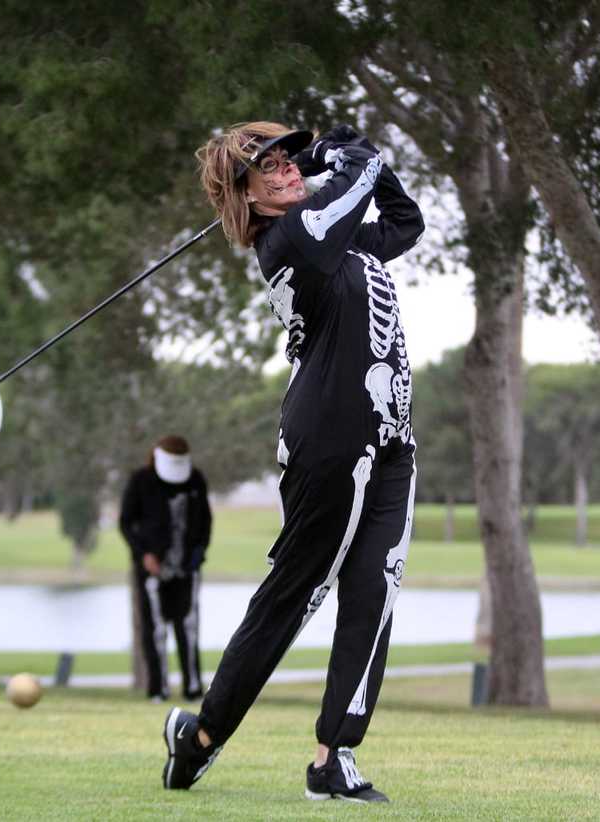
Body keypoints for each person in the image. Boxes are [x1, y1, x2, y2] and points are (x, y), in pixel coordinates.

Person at [160, 122, 423, 804]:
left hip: (392, 437)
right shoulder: (291, 241)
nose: (282, 173)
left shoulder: (336, 238)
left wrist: (340, 156)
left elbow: (404, 220)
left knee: (374, 589)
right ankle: (202, 738)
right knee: (296, 595)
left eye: (285, 161)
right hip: (328, 438)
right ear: (246, 199)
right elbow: (360, 173)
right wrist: (337, 153)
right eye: (265, 171)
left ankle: (332, 758)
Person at [119, 434, 211, 701]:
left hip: (187, 569)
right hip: (152, 569)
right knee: (155, 629)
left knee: (189, 626)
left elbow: (205, 521)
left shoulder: (196, 480)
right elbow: (126, 523)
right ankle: (158, 688)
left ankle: (192, 687)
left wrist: (199, 553)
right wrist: (143, 554)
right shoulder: (140, 481)